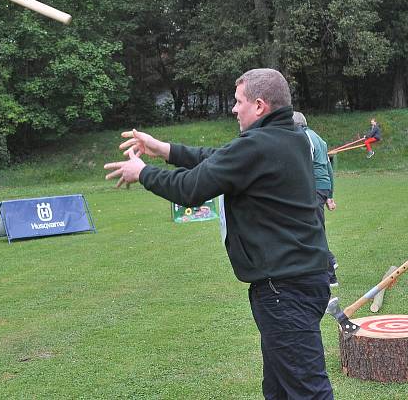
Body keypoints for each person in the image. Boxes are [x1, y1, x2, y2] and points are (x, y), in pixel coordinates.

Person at [104, 68, 333, 399]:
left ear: (259, 105)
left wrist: (143, 172)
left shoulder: (260, 144)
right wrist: (165, 149)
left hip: (286, 289)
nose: (233, 109)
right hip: (298, 282)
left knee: (307, 391)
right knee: (281, 389)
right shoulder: (289, 137)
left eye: (238, 102)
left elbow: (190, 188)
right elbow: (217, 159)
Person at [293, 111, 339, 287]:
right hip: (322, 187)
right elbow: (329, 169)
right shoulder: (318, 138)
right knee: (312, 227)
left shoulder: (303, 138)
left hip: (313, 188)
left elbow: (304, 167)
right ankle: (329, 260)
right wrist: (330, 195)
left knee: (313, 230)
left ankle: (330, 271)